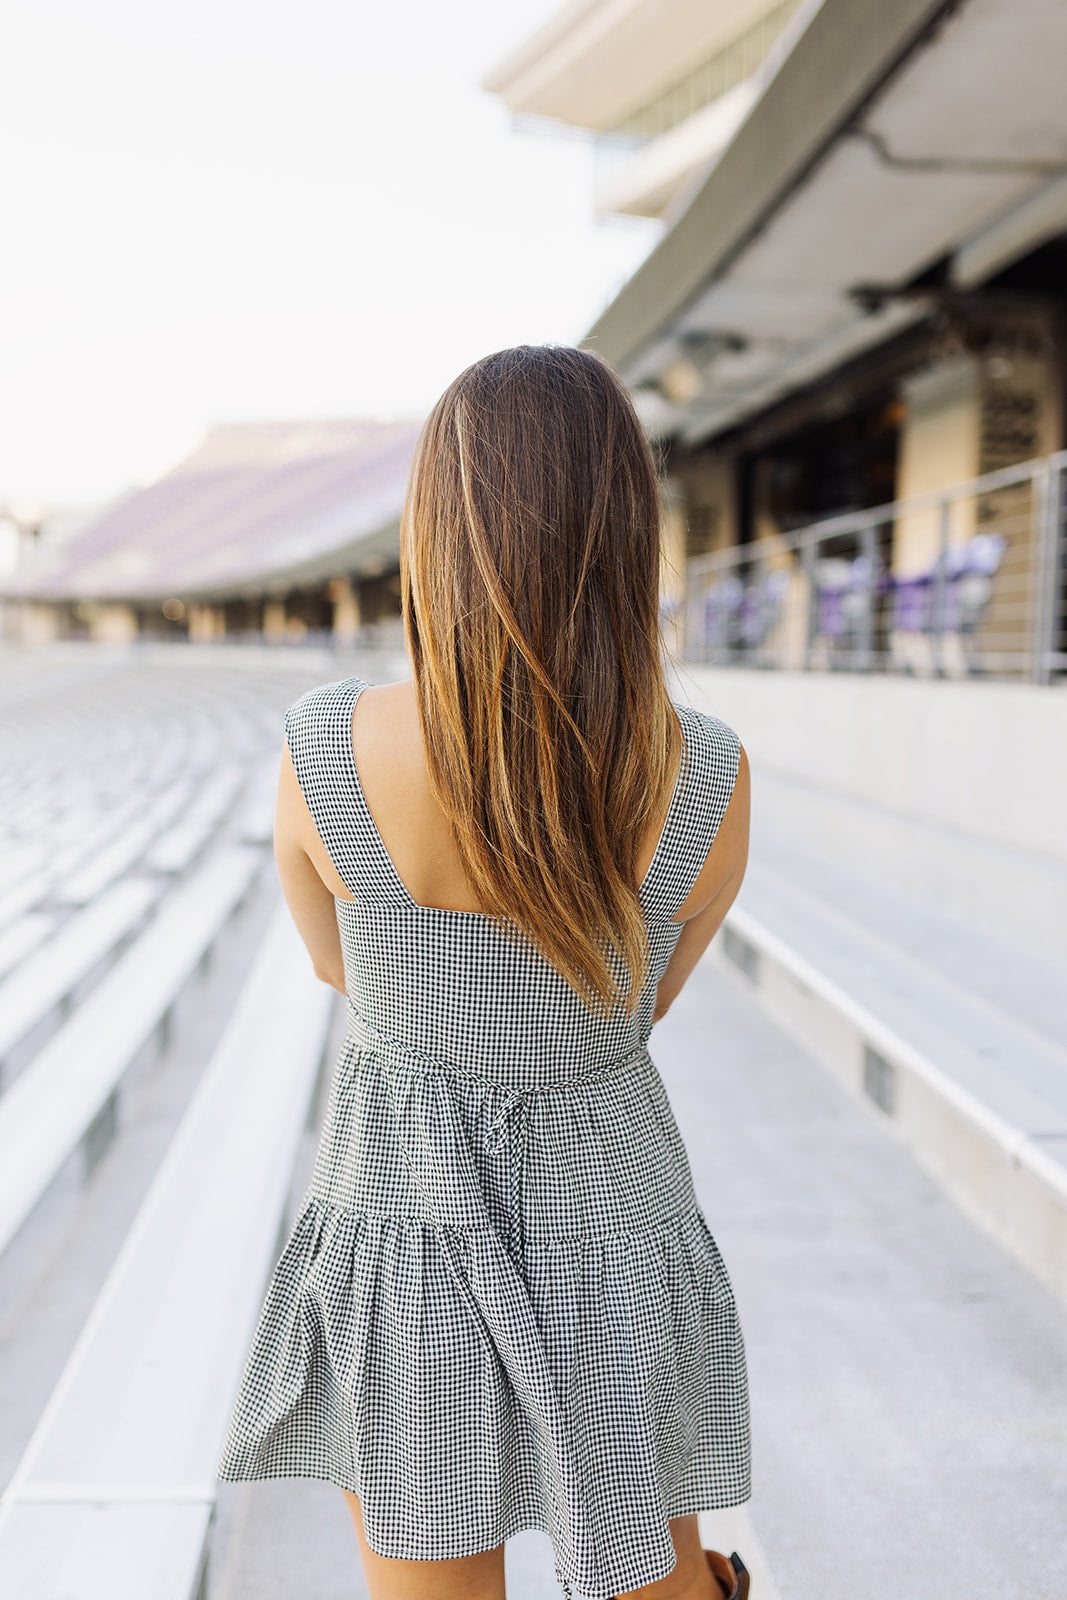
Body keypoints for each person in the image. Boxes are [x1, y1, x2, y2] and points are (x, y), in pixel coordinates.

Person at [216, 344, 753, 1600]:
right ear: (629, 528)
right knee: (651, 1578)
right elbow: (645, 998)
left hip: (405, 1205)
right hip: (611, 1215)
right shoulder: (710, 775)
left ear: (436, 527)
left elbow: (333, 963)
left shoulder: (324, 748)